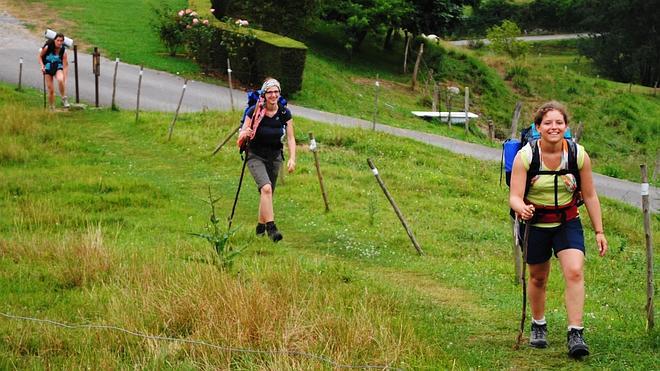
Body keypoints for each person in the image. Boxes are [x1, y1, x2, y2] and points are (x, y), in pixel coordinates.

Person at [509, 101, 608, 358]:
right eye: (548, 123)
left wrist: (599, 231)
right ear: (538, 127)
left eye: (559, 122)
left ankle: (576, 332)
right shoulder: (526, 156)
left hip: (567, 222)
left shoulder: (578, 155)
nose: (554, 127)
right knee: (538, 278)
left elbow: (590, 195)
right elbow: (515, 196)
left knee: (574, 271)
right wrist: (522, 208)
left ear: (565, 126)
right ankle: (538, 324)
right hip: (535, 224)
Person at [237, 78, 296, 242]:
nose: (273, 95)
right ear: (264, 94)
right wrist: (246, 133)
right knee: (267, 189)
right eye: (270, 92)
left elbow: (291, 138)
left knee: (267, 194)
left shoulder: (285, 113)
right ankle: (272, 228)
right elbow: (241, 134)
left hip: (275, 157)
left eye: (276, 91)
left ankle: (260, 228)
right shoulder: (253, 111)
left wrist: (292, 158)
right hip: (255, 155)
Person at [38, 32, 69, 110]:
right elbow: (40, 56)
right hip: (48, 67)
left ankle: (64, 98)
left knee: (60, 79)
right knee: (51, 90)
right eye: (58, 40)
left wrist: (65, 76)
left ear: (63, 42)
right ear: (54, 40)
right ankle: (51, 107)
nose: (59, 42)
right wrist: (42, 66)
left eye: (61, 41)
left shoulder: (63, 51)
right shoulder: (48, 47)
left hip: (58, 66)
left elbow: (65, 65)